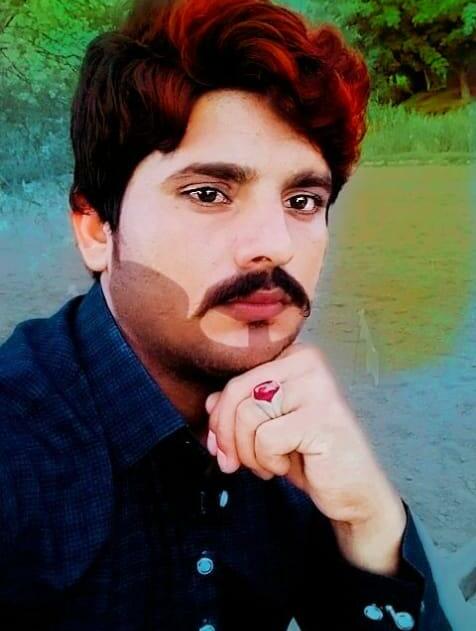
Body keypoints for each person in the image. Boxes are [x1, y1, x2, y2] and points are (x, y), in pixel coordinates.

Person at [0, 0, 451, 629]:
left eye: (302, 200)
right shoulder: (16, 453)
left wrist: (368, 525)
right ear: (96, 228)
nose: (275, 244)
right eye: (209, 193)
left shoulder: (300, 438)